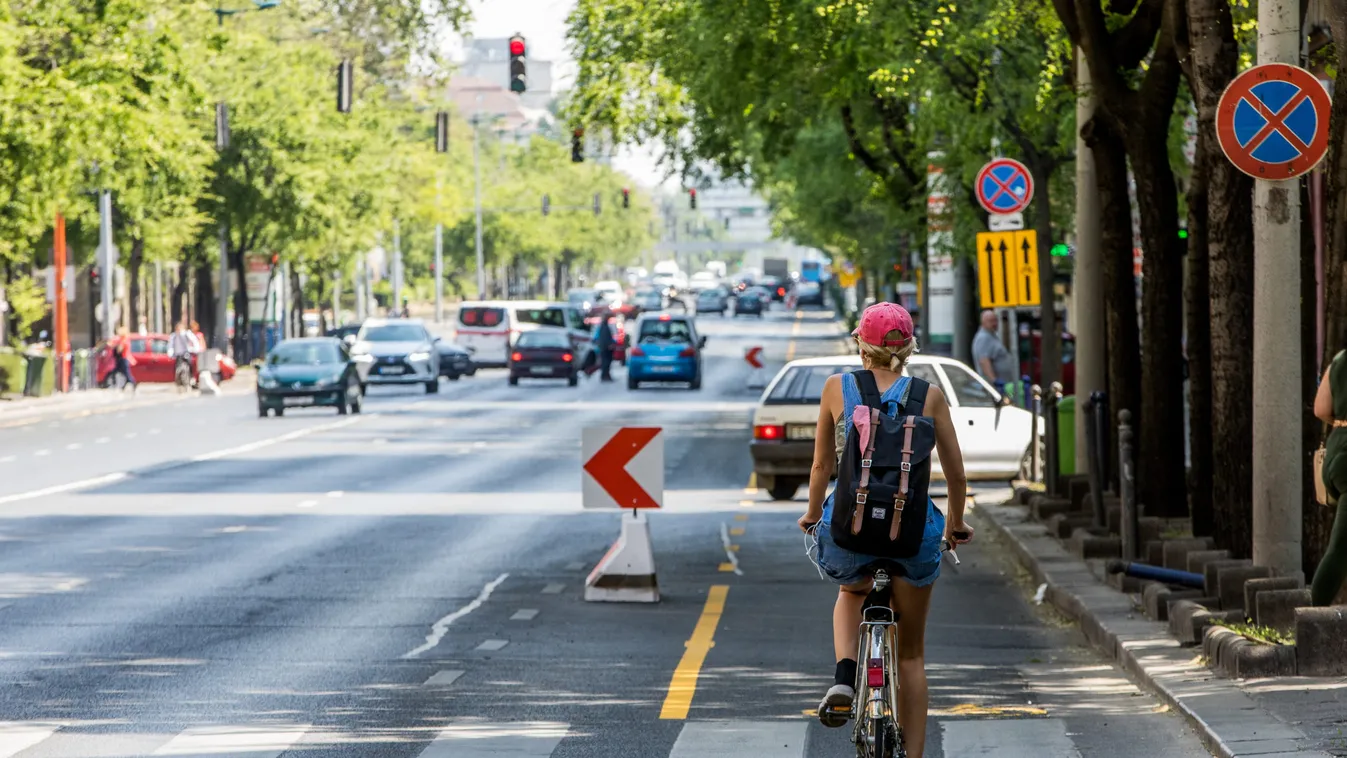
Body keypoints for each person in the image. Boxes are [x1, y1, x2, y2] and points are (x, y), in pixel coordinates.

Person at [798, 302, 971, 758]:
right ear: (909, 346)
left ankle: (843, 678)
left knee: (851, 594)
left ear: (862, 345)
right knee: (911, 655)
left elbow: (820, 465)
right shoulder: (928, 396)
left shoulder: (838, 388)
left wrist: (813, 514)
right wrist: (955, 524)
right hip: (911, 535)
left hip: (848, 532)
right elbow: (956, 476)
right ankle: (913, 755)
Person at [1311, 351, 1347, 606]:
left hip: (1337, 452)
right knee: (1340, 549)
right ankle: (1312, 618)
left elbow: (1321, 409)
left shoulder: (1340, 359)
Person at [972, 309, 1015, 395]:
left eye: (996, 320)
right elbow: (984, 361)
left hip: (1003, 385)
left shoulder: (992, 336)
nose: (995, 324)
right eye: (991, 321)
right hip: (995, 388)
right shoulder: (984, 338)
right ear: (983, 322)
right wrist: (994, 381)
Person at [169, 319, 201, 387]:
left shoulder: (186, 334)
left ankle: (192, 378)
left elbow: (194, 341)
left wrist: (195, 349)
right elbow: (170, 345)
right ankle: (178, 380)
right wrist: (170, 353)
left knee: (190, 364)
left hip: (186, 353)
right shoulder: (173, 336)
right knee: (177, 367)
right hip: (178, 355)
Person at [107, 326, 138, 392]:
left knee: (125, 373)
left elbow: (119, 349)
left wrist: (115, 346)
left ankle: (132, 383)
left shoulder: (123, 340)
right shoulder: (125, 339)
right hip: (123, 359)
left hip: (123, 359)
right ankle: (123, 385)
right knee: (122, 372)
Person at [593, 312, 617, 382]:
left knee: (606, 362)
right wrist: (609, 345)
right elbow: (604, 338)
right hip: (605, 348)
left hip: (604, 347)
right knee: (605, 362)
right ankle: (605, 375)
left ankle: (606, 375)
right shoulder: (604, 326)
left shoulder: (604, 325)